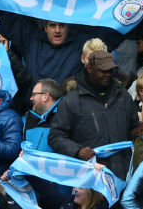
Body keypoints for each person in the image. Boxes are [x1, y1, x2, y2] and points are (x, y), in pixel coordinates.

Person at [48, 50, 135, 179]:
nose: (108, 74)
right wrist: (77, 151)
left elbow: (134, 129)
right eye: (103, 71)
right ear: (89, 68)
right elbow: (55, 136)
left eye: (110, 70)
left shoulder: (123, 96)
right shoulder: (71, 101)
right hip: (89, 179)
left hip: (123, 176)